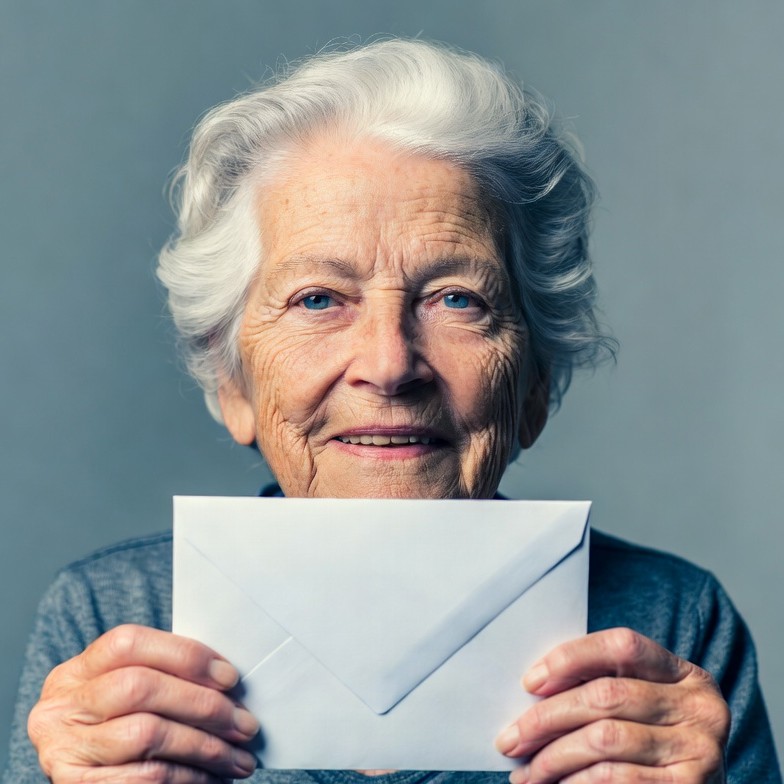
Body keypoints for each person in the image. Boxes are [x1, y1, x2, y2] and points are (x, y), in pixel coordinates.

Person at [3, 38, 780, 784]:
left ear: (534, 386)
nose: (389, 364)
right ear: (233, 383)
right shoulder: (110, 617)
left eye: (456, 299)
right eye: (317, 299)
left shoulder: (675, 623)